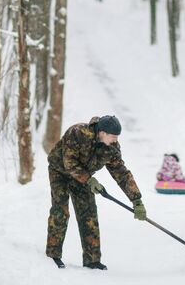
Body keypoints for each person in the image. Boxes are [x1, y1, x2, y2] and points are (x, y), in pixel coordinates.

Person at [45, 115, 146, 270]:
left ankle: (92, 260)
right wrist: (89, 180)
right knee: (61, 211)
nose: (115, 140)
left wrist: (136, 200)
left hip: (83, 177)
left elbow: (121, 173)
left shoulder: (111, 148)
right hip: (60, 171)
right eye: (113, 137)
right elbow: (69, 163)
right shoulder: (77, 132)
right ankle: (53, 254)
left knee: (89, 213)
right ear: (102, 133)